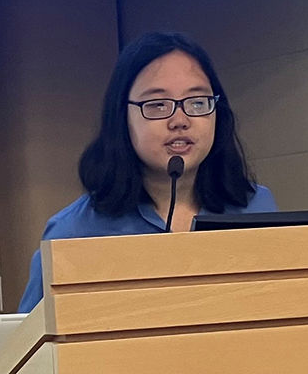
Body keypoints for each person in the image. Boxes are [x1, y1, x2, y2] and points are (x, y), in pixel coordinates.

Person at [17, 32, 277, 312]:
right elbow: (28, 348)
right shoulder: (75, 231)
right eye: (157, 105)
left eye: (197, 102)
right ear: (122, 118)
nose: (180, 120)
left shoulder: (255, 207)